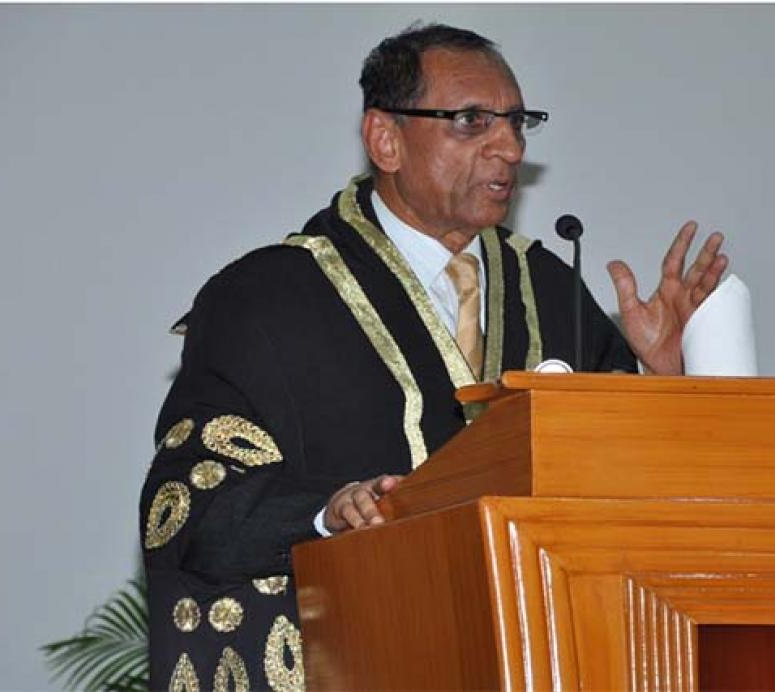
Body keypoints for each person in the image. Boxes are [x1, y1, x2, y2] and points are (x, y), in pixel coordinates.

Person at [139, 23, 727, 692]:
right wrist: (330, 510)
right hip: (357, 661)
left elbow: (624, 489)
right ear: (386, 139)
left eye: (517, 122)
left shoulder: (548, 288)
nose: (509, 147)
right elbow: (184, 504)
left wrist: (663, 379)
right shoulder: (267, 298)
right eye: (472, 121)